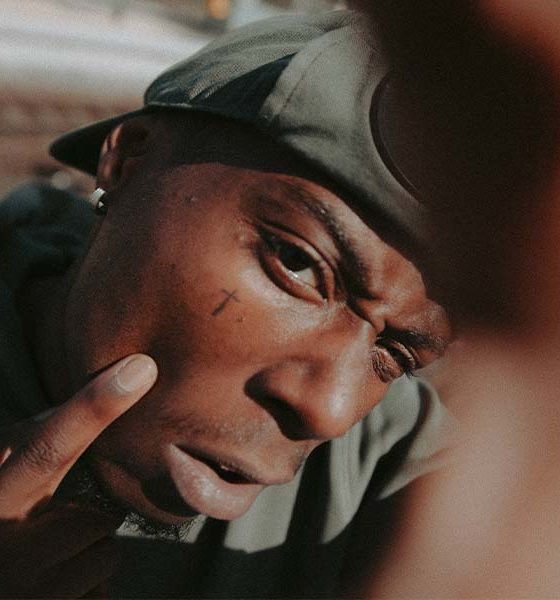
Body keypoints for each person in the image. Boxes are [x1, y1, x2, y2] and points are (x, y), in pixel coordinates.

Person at [0, 11, 456, 598]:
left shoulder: (388, 471)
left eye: (396, 356)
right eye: (297, 264)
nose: (329, 410)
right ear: (128, 161)